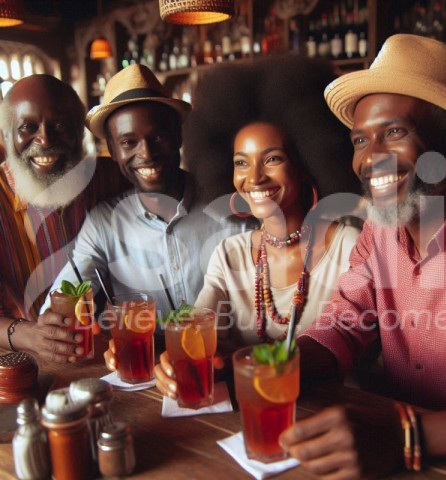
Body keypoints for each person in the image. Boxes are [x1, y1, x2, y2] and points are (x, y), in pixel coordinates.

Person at [279, 34, 446, 478]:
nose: (372, 159)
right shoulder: (379, 229)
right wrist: (270, 367)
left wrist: (406, 436)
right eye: (360, 140)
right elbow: (344, 323)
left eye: (394, 132)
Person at [152, 55, 361, 400]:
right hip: (248, 416)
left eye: (273, 159)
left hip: (336, 418)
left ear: (307, 163)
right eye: (240, 163)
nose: (254, 178)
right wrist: (178, 357)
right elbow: (202, 322)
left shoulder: (349, 246)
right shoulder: (230, 254)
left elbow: (353, 345)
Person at [43, 64, 252, 328]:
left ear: (178, 137)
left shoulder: (229, 204)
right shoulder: (103, 223)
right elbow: (66, 295)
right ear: (112, 149)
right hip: (143, 362)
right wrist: (56, 319)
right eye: (129, 142)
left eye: (159, 137)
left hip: (226, 357)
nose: (147, 154)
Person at [0, 74, 127, 362]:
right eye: (28, 127)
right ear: (6, 136)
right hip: (22, 364)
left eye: (60, 126)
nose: (45, 139)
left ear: (80, 134)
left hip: (111, 355)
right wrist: (28, 334)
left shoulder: (111, 177)